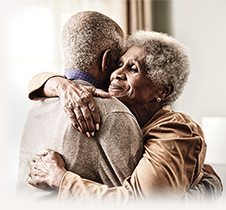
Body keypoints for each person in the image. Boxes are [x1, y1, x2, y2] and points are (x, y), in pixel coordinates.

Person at [28, 30, 223, 202]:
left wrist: (60, 179)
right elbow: (35, 81)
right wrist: (62, 86)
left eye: (133, 68)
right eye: (119, 64)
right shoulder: (110, 102)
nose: (116, 74)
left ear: (163, 91)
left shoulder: (175, 130)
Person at [17, 11, 144, 200]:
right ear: (107, 60)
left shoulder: (36, 109)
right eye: (118, 62)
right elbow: (141, 201)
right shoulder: (114, 113)